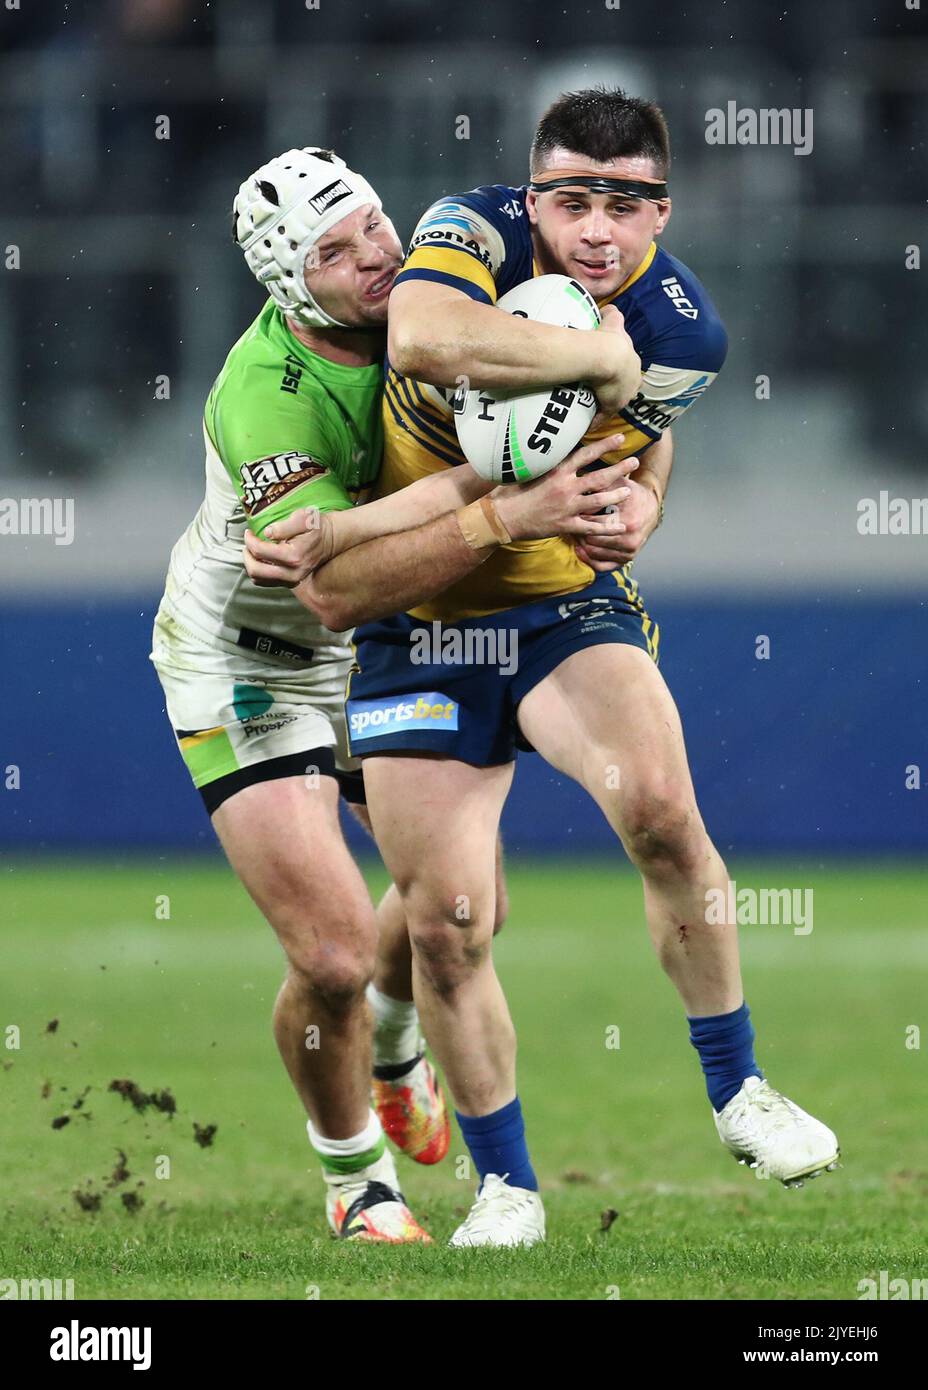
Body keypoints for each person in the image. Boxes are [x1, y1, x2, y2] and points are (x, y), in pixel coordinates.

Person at [247, 91, 839, 1249]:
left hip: (562, 608)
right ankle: (507, 1187)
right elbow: (422, 345)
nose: (596, 229)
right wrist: (590, 358)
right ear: (531, 197)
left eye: (625, 205)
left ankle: (738, 1090)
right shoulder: (463, 230)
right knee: (453, 921)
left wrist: (647, 507)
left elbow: (640, 445)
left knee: (665, 815)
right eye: (570, 199)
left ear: (662, 211)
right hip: (416, 622)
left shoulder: (685, 332)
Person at [152, 145, 634, 1242]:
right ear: (286, 285)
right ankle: (355, 1177)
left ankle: (395, 1029)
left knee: (465, 912)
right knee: (324, 951)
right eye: (333, 250)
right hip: (253, 661)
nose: (376, 254)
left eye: (372, 222)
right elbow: (327, 591)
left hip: (388, 634)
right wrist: (504, 502)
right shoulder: (267, 394)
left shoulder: (439, 287)